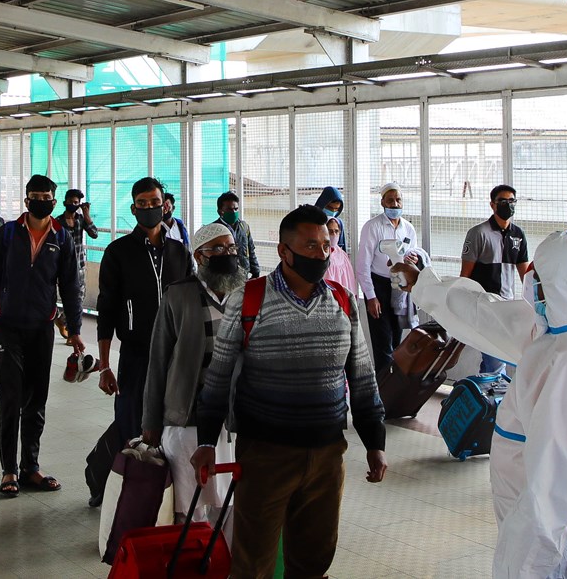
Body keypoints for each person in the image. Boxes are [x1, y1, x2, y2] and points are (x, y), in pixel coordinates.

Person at [399, 231, 567, 578]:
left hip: (563, 550)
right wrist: (423, 283)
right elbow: (483, 313)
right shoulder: (565, 332)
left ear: (559, 283)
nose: (530, 282)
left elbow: (550, 496)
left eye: (538, 276)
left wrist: (520, 569)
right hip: (559, 537)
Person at [192, 205, 386, 579]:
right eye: (311, 246)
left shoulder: (343, 301)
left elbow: (363, 377)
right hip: (266, 455)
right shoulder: (248, 299)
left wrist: (375, 442)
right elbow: (218, 378)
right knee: (254, 564)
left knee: (314, 561)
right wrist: (205, 441)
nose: (322, 254)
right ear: (284, 251)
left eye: (327, 245)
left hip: (327, 455)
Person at [0, 174, 84, 499]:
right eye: (35, 197)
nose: (41, 202)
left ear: (54, 200)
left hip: (41, 329)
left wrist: (75, 329)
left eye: (46, 197)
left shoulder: (61, 237)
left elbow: (70, 286)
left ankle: (30, 468)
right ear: (26, 201)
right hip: (7, 327)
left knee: (36, 401)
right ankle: (9, 470)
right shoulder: (9, 233)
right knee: (10, 400)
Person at [88, 177, 195, 504]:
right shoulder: (118, 252)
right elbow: (106, 309)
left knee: (170, 426)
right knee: (130, 422)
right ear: (133, 209)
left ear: (165, 206)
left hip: (175, 357)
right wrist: (105, 365)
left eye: (155, 203)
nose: (149, 209)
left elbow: (192, 301)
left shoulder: (179, 252)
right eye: (142, 204)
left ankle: (161, 495)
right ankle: (105, 481)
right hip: (136, 354)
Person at [143, 222, 248, 534]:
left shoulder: (247, 294)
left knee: (230, 505)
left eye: (232, 248)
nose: (228, 254)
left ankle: (225, 559)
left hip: (232, 421)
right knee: (189, 507)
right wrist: (151, 420)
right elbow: (158, 361)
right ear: (200, 256)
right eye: (219, 249)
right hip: (186, 419)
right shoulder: (178, 295)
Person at [460, 184, 532, 375]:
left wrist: (533, 303)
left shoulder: (518, 235)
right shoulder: (478, 233)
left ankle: (488, 390)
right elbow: (465, 274)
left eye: (512, 201)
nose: (508, 205)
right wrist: (462, 304)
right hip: (486, 306)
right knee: (495, 360)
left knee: (501, 359)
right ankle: (494, 391)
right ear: (492, 204)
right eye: (502, 201)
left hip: (508, 307)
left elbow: (525, 274)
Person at [354, 182, 425, 374]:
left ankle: (393, 384)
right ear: (382, 202)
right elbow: (362, 265)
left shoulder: (408, 228)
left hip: (400, 287)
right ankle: (382, 385)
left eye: (398, 200)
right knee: (382, 341)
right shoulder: (372, 227)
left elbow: (412, 256)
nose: (395, 204)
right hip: (379, 286)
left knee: (396, 339)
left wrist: (414, 259)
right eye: (390, 200)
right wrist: (371, 296)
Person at [60, 188, 99, 306]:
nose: (73, 204)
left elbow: (94, 234)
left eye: (76, 202)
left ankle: (74, 316)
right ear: (65, 202)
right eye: (70, 202)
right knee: (67, 296)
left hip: (79, 264)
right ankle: (67, 316)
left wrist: (87, 215)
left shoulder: (80, 219)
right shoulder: (58, 222)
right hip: (64, 266)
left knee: (79, 296)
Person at [214, 191, 260, 277]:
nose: (234, 212)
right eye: (229, 209)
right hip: (224, 276)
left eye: (236, 209)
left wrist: (256, 272)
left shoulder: (244, 227)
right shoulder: (214, 229)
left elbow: (251, 250)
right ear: (220, 212)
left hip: (243, 275)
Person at [312, 186, 348, 253]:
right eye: (330, 208)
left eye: (336, 209)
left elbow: (341, 245)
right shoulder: (311, 221)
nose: (333, 211)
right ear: (322, 204)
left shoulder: (338, 223)